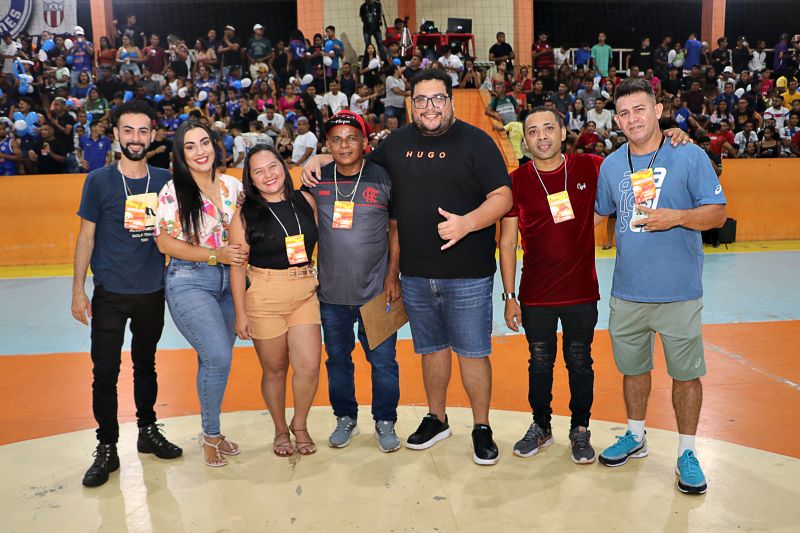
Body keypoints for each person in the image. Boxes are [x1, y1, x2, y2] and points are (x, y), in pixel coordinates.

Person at [303, 69, 513, 465]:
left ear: (450, 101)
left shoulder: (477, 141)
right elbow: (352, 156)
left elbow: (503, 196)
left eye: (437, 98)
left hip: (468, 273)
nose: (429, 107)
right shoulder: (396, 144)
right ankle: (437, 418)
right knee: (431, 350)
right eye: (421, 100)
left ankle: (481, 426)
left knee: (472, 352)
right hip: (414, 274)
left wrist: (467, 223)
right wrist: (320, 156)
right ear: (410, 103)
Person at [594, 79, 727, 495]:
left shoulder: (688, 153)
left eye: (640, 109)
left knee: (686, 376)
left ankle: (687, 451)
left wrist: (678, 217)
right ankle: (635, 435)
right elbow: (598, 214)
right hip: (628, 292)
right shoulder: (611, 165)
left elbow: (718, 214)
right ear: (616, 120)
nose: (632, 119)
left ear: (657, 110)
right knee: (633, 370)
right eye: (624, 113)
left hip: (678, 292)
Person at [72, 101, 183, 488]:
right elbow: (86, 237)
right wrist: (77, 290)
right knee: (104, 371)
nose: (136, 138)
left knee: (146, 364)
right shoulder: (98, 181)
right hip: (110, 294)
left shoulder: (165, 180)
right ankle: (106, 446)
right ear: (117, 134)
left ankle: (147, 431)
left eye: (143, 131)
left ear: (153, 135)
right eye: (129, 130)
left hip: (152, 291)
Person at [300, 111, 402, 452]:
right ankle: (345, 417)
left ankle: (385, 420)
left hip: (377, 292)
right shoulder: (316, 179)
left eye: (351, 138)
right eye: (336, 140)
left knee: (383, 363)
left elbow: (395, 229)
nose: (344, 146)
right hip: (331, 295)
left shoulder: (383, 178)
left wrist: (393, 275)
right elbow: (295, 217)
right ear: (327, 145)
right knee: (338, 361)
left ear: (364, 142)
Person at [154, 120, 246, 467]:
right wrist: (214, 255)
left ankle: (214, 432)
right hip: (189, 280)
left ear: (215, 145)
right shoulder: (173, 191)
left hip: (230, 281)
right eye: (190, 146)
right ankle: (210, 434)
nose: (200, 151)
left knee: (212, 360)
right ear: (181, 154)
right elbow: (164, 243)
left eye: (204, 142)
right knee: (218, 357)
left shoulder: (233, 186)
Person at [228, 145, 321, 457]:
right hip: (264, 297)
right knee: (275, 369)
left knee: (309, 366)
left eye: (273, 166)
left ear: (284, 166)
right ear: (251, 179)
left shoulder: (306, 201)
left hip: (305, 292)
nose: (268, 175)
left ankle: (300, 424)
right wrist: (240, 314)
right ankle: (280, 429)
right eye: (259, 171)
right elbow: (237, 268)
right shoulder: (244, 216)